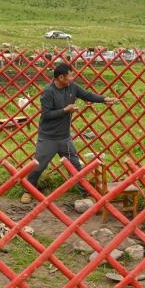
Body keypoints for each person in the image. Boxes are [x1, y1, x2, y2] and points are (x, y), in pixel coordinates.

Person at [21, 63, 119, 203]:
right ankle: (28, 191)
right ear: (61, 77)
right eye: (70, 75)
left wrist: (104, 99)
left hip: (64, 137)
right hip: (48, 137)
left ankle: (86, 193)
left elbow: (87, 95)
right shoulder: (48, 92)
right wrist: (65, 110)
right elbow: (46, 115)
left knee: (75, 166)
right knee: (38, 166)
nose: (73, 78)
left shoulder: (72, 87)